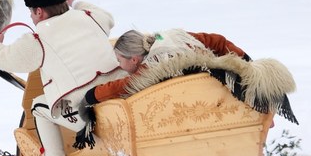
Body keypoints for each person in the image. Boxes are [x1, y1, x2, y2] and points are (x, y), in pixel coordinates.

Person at [0, 0, 122, 156]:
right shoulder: (88, 17)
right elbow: (108, 19)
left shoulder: (38, 38)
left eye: (31, 12)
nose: (31, 17)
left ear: (39, 11)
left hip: (87, 114)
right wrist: (74, 1)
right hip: (119, 97)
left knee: (38, 106)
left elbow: (6, 59)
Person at [80, 28, 298, 126]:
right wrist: (244, 61)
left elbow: (124, 86)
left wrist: (91, 96)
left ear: (134, 60)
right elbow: (218, 41)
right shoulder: (171, 37)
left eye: (119, 60)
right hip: (220, 78)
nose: (119, 65)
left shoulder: (154, 65)